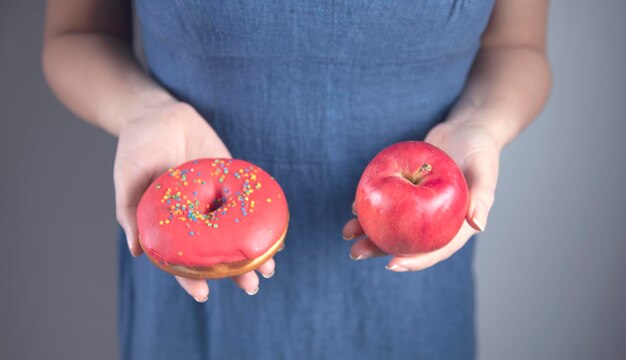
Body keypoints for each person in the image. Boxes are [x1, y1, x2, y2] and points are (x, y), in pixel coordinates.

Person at [42, 0, 551, 358]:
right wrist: (143, 112)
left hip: (412, 288)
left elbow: (518, 45)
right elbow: (76, 35)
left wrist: (482, 122)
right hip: (198, 294)